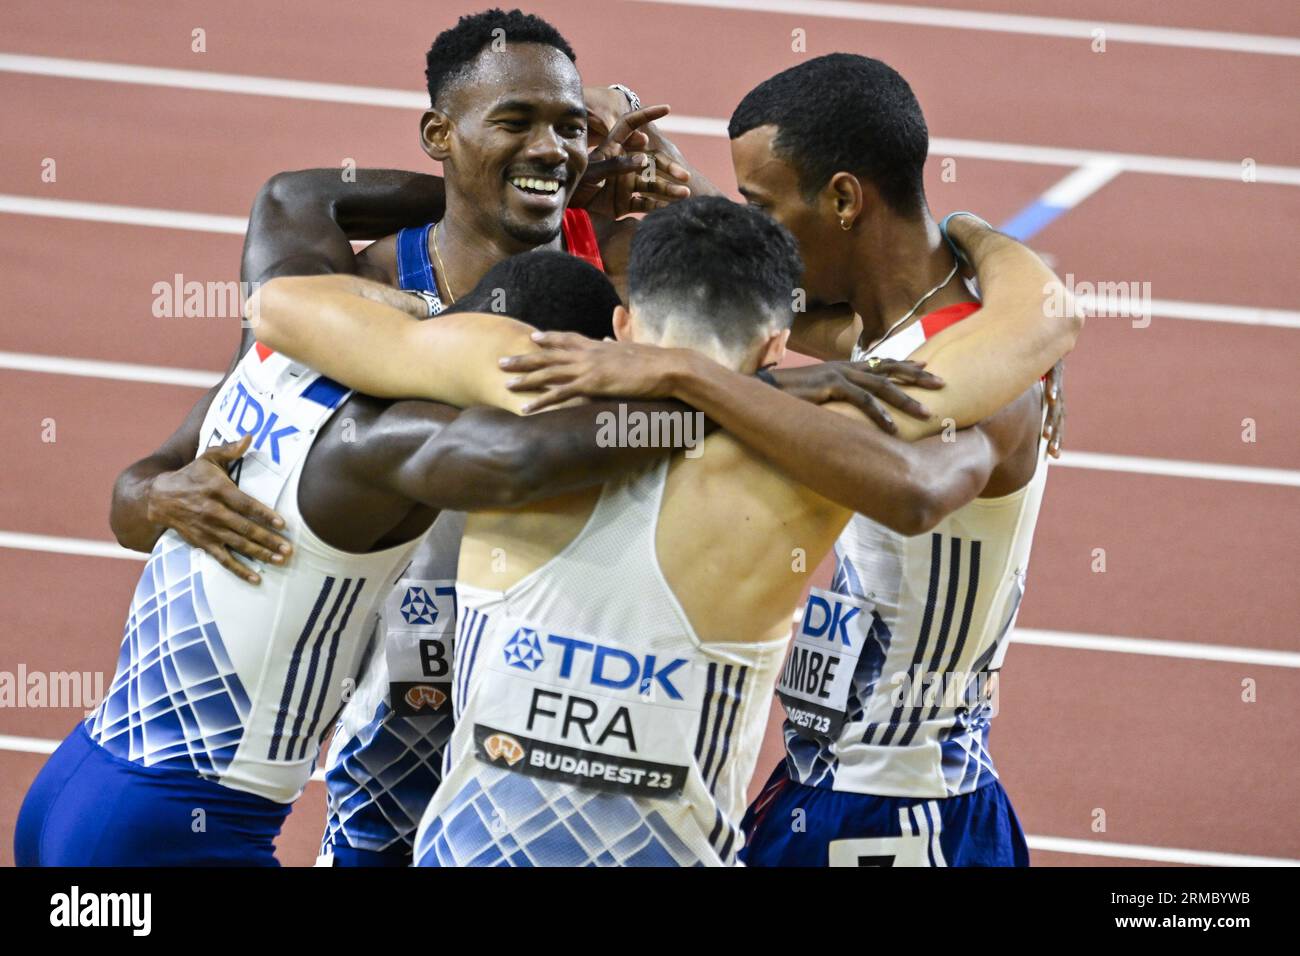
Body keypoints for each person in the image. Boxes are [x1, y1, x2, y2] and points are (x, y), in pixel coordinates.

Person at [249, 194, 1078, 865]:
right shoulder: (813, 461)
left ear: (619, 328)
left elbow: (277, 304)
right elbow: (1035, 327)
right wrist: (971, 236)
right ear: (777, 346)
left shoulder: (517, 380)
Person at [504, 54, 1077, 866]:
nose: (754, 226)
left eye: (761, 205)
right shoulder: (883, 333)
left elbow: (912, 494)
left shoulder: (985, 368)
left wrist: (684, 375)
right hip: (825, 779)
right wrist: (669, 202)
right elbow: (756, 310)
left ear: (843, 199)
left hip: (904, 810)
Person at [14, 250, 712, 866]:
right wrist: (718, 395)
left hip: (79, 774)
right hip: (179, 822)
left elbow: (297, 210)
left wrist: (421, 307)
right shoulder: (384, 443)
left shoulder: (281, 361)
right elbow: (526, 459)